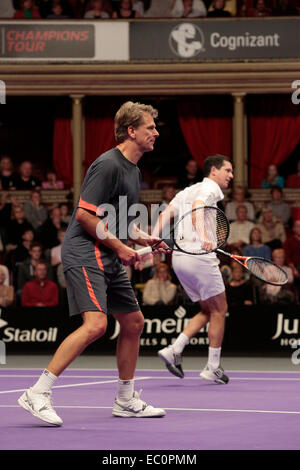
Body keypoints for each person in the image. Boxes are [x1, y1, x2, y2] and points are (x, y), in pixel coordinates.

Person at [18, 101, 169, 425]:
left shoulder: (133, 169)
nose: (156, 132)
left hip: (107, 254)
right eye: (150, 127)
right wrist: (120, 248)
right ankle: (38, 392)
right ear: (131, 131)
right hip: (84, 253)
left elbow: (121, 221)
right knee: (97, 325)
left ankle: (125, 400)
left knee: (133, 322)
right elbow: (85, 215)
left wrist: (144, 240)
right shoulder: (108, 165)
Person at [155, 154, 233, 383]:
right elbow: (199, 207)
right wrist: (203, 237)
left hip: (179, 259)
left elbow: (165, 214)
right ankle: (212, 367)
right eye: (227, 170)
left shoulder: (186, 191)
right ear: (214, 171)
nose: (231, 175)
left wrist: (152, 239)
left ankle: (174, 349)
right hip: (199, 256)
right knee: (220, 309)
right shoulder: (211, 189)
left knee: (208, 310)